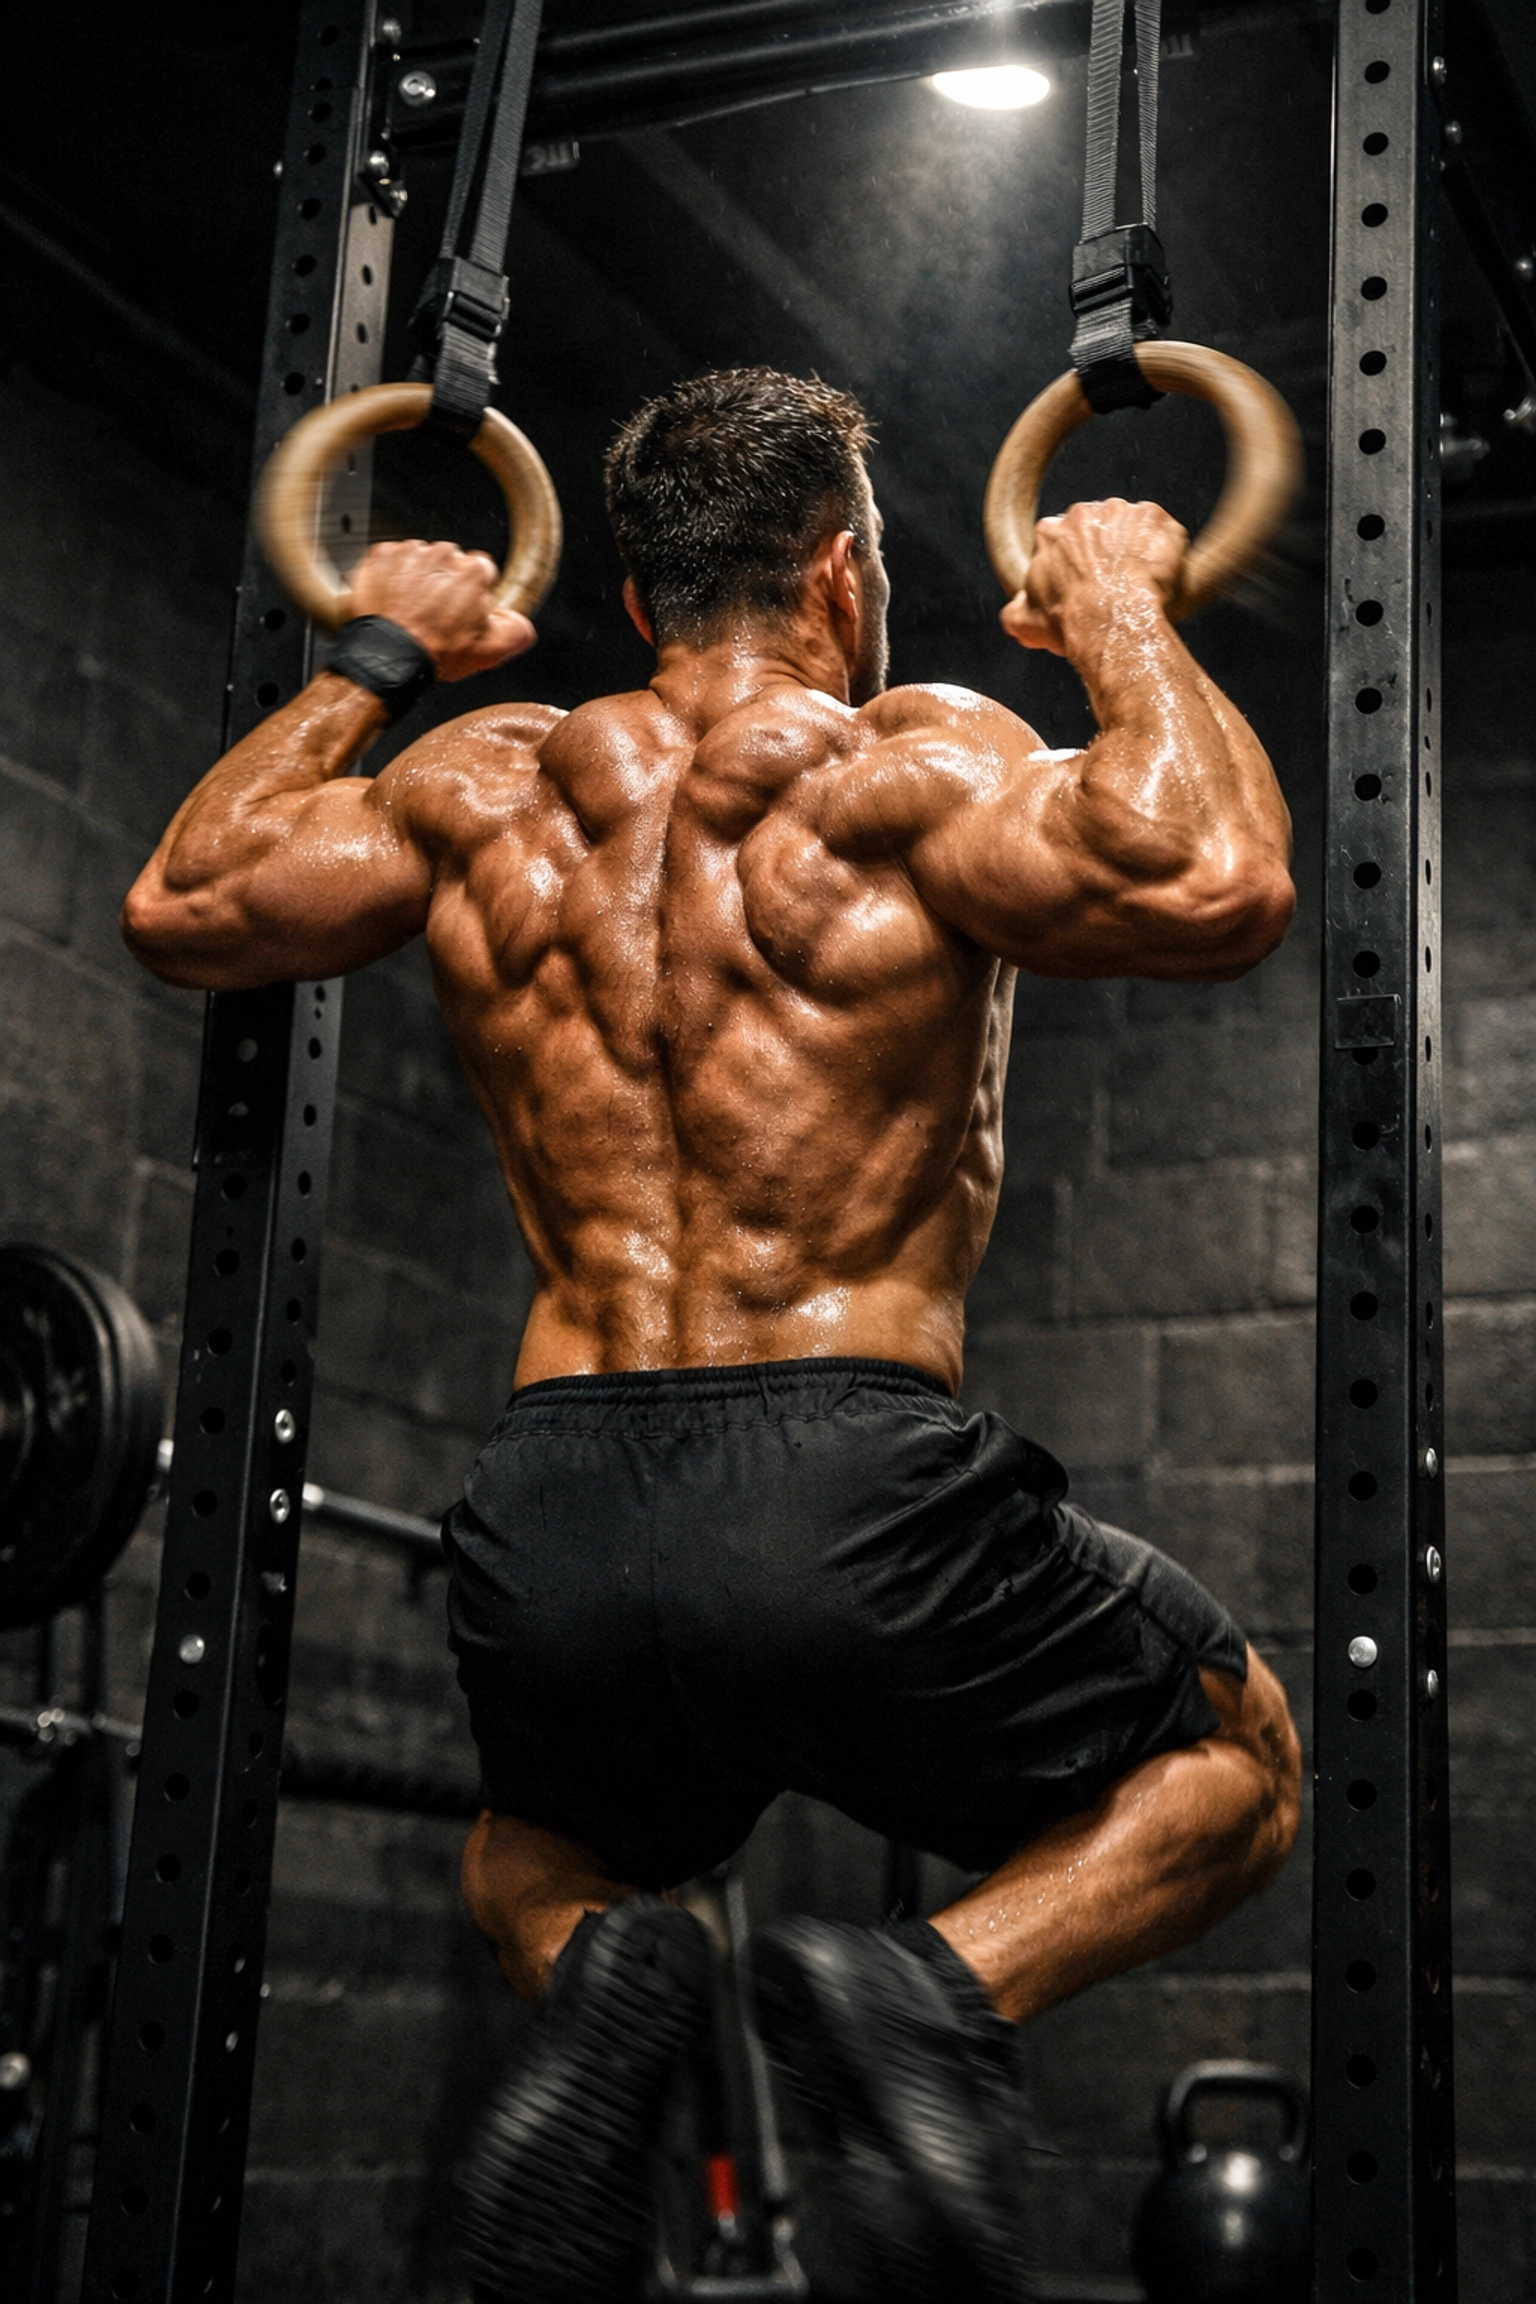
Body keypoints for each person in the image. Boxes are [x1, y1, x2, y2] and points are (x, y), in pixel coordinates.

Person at [123, 367, 1302, 2304]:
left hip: (560, 1498)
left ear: (649, 601)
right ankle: (926, 1998)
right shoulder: (900, 764)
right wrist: (1113, 604)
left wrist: (373, 650)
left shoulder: (486, 779)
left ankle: (624, 1976)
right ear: (843, 574)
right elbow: (1220, 872)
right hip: (849, 1471)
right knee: (1236, 1762)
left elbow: (183, 896)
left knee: (533, 1863)